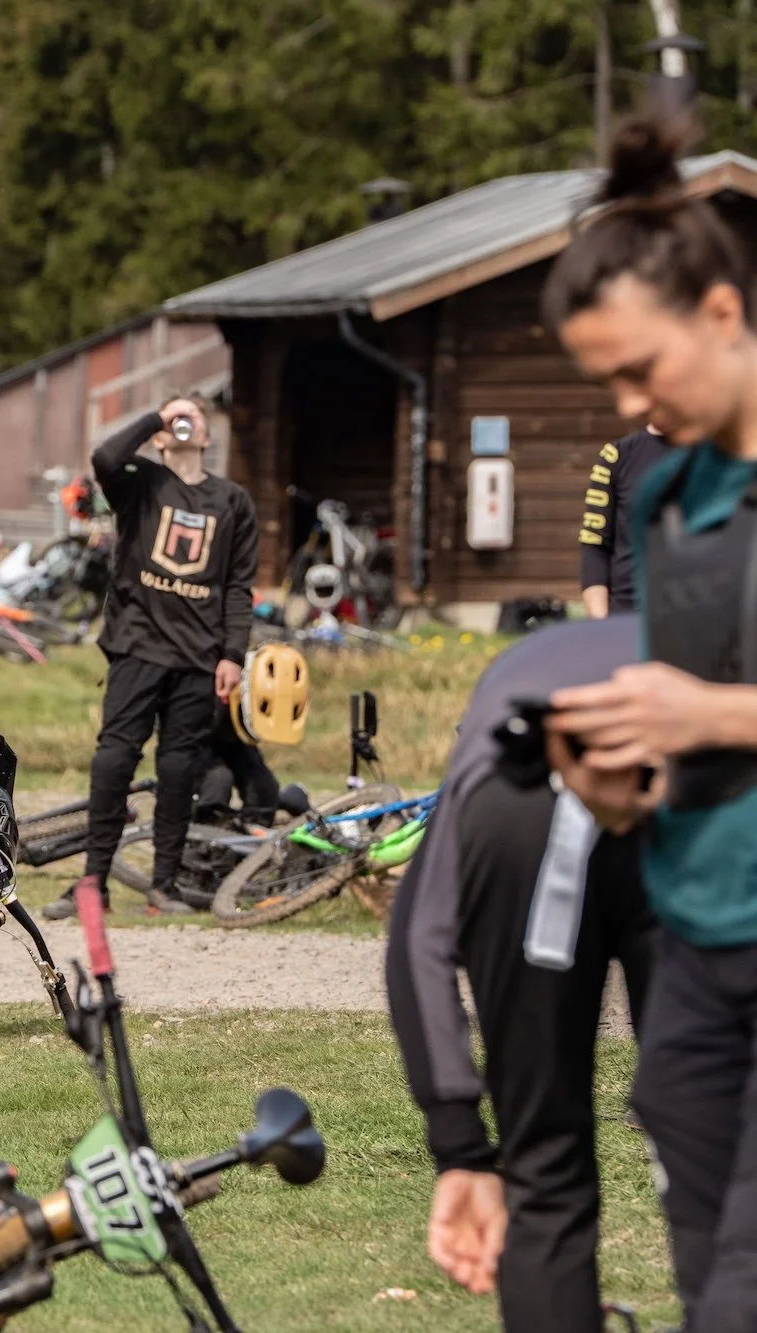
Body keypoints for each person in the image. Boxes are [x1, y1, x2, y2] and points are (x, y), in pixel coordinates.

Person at [543, 109, 757, 1329]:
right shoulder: (665, 495)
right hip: (694, 957)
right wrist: (621, 779)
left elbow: (712, 705)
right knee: (699, 1284)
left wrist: (707, 710)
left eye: (640, 369)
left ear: (719, 314)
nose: (631, 406)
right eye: (606, 382)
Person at [387, 616, 654, 1332]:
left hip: (519, 803)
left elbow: (418, 935)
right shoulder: (711, 646)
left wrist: (461, 1148)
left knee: (544, 1176)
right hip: (673, 781)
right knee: (715, 1151)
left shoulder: (516, 673)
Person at [44, 397, 258, 920]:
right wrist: (155, 419)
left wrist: (233, 655)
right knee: (114, 760)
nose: (184, 424)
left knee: (180, 769)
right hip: (136, 645)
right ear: (160, 435)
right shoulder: (139, 482)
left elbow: (238, 586)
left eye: (193, 418)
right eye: (174, 418)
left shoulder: (232, 501)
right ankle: (93, 882)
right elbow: (104, 457)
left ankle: (163, 885)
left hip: (199, 656)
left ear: (207, 436)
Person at [578, 426, 672, 617]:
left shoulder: (713, 451)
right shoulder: (616, 454)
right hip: (628, 614)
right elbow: (594, 544)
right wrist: (601, 623)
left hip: (696, 613)